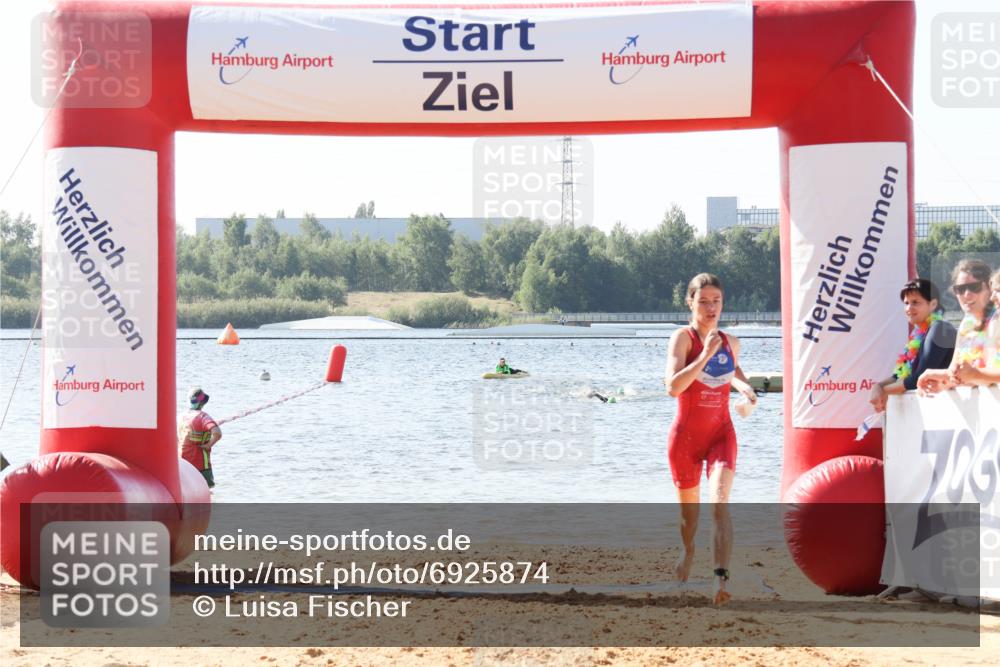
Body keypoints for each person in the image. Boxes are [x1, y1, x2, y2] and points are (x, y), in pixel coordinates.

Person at [664, 273, 757, 605]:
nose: (711, 307)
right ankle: (688, 550)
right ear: (690, 302)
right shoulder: (683, 338)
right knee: (690, 520)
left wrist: (747, 390)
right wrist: (704, 355)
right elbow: (673, 386)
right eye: (703, 301)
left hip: (721, 434)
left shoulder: (731, 341)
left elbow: (736, 375)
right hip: (685, 439)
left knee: (719, 502)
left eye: (716, 300)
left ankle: (720, 580)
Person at [869, 278, 956, 412]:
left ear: (933, 304)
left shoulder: (940, 329)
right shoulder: (918, 334)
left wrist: (885, 392)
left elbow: (921, 377)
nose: (909, 308)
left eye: (915, 302)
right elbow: (899, 377)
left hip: (941, 412)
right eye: (906, 303)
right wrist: (878, 387)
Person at [918, 260, 997, 395]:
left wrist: (971, 374)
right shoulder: (965, 325)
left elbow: (993, 374)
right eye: (960, 289)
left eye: (974, 287)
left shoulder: (997, 321)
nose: (966, 294)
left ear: (989, 288)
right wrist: (940, 384)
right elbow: (955, 373)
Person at [177, 387, 222, 488]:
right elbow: (217, 433)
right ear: (202, 403)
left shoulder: (180, 417)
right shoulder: (203, 417)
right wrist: (208, 445)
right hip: (201, 466)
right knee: (208, 492)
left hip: (183, 464)